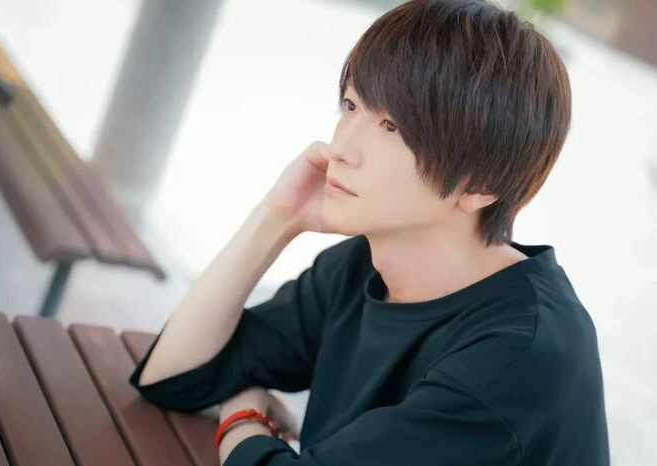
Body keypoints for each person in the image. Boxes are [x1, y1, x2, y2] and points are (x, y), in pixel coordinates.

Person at [128, 0, 611, 464]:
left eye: (392, 126)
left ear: (480, 185)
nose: (342, 146)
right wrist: (277, 217)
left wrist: (242, 415)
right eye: (351, 104)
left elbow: (220, 396)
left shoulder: (518, 356)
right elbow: (173, 378)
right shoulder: (365, 264)